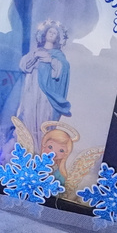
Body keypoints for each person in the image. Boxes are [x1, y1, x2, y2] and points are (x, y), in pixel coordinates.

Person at [15, 19, 72, 152]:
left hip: (46, 92)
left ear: (58, 38)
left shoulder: (58, 55)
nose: (52, 34)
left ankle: (40, 148)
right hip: (32, 87)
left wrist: (50, 60)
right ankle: (27, 147)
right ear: (44, 34)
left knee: (43, 116)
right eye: (50, 31)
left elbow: (62, 69)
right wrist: (35, 56)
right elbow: (24, 65)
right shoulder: (36, 51)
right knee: (28, 113)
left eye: (55, 33)